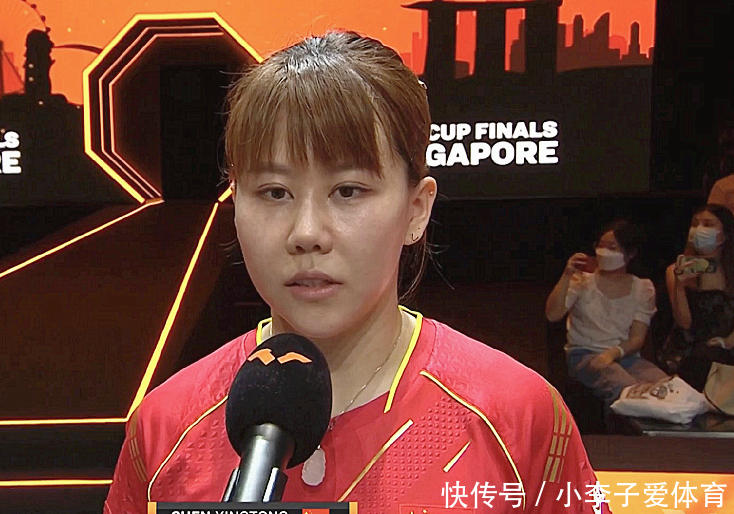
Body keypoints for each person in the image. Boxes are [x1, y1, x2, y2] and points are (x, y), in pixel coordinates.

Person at [105, 32, 607, 514]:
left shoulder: (517, 416)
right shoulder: (165, 426)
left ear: (416, 208)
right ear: (236, 205)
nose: (307, 233)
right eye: (275, 192)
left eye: (347, 191)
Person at [545, 220, 667, 405]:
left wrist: (612, 354)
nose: (603, 252)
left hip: (625, 356)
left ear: (630, 253)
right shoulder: (582, 281)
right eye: (600, 245)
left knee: (666, 387)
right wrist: (567, 275)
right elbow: (553, 315)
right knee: (628, 390)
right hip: (585, 355)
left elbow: (637, 339)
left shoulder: (643, 288)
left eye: (612, 247)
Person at [664, 204, 734, 391]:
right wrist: (680, 286)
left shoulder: (730, 270)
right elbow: (684, 323)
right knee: (704, 358)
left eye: (708, 224)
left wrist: (727, 341)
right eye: (695, 224)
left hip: (727, 346)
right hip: (690, 348)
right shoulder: (675, 270)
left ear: (725, 234)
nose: (699, 230)